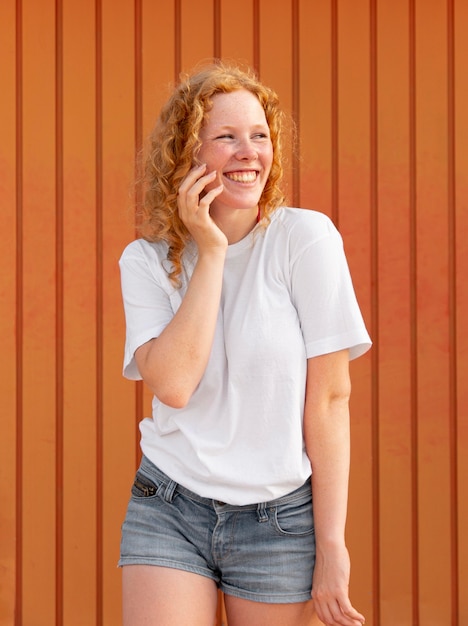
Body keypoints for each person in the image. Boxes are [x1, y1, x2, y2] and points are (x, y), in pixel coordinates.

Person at [118, 60, 371, 626]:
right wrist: (209, 252)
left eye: (260, 136)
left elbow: (331, 399)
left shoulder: (304, 240)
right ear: (187, 152)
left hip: (278, 520)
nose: (248, 152)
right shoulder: (147, 261)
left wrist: (332, 545)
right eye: (226, 137)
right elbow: (175, 385)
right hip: (170, 506)